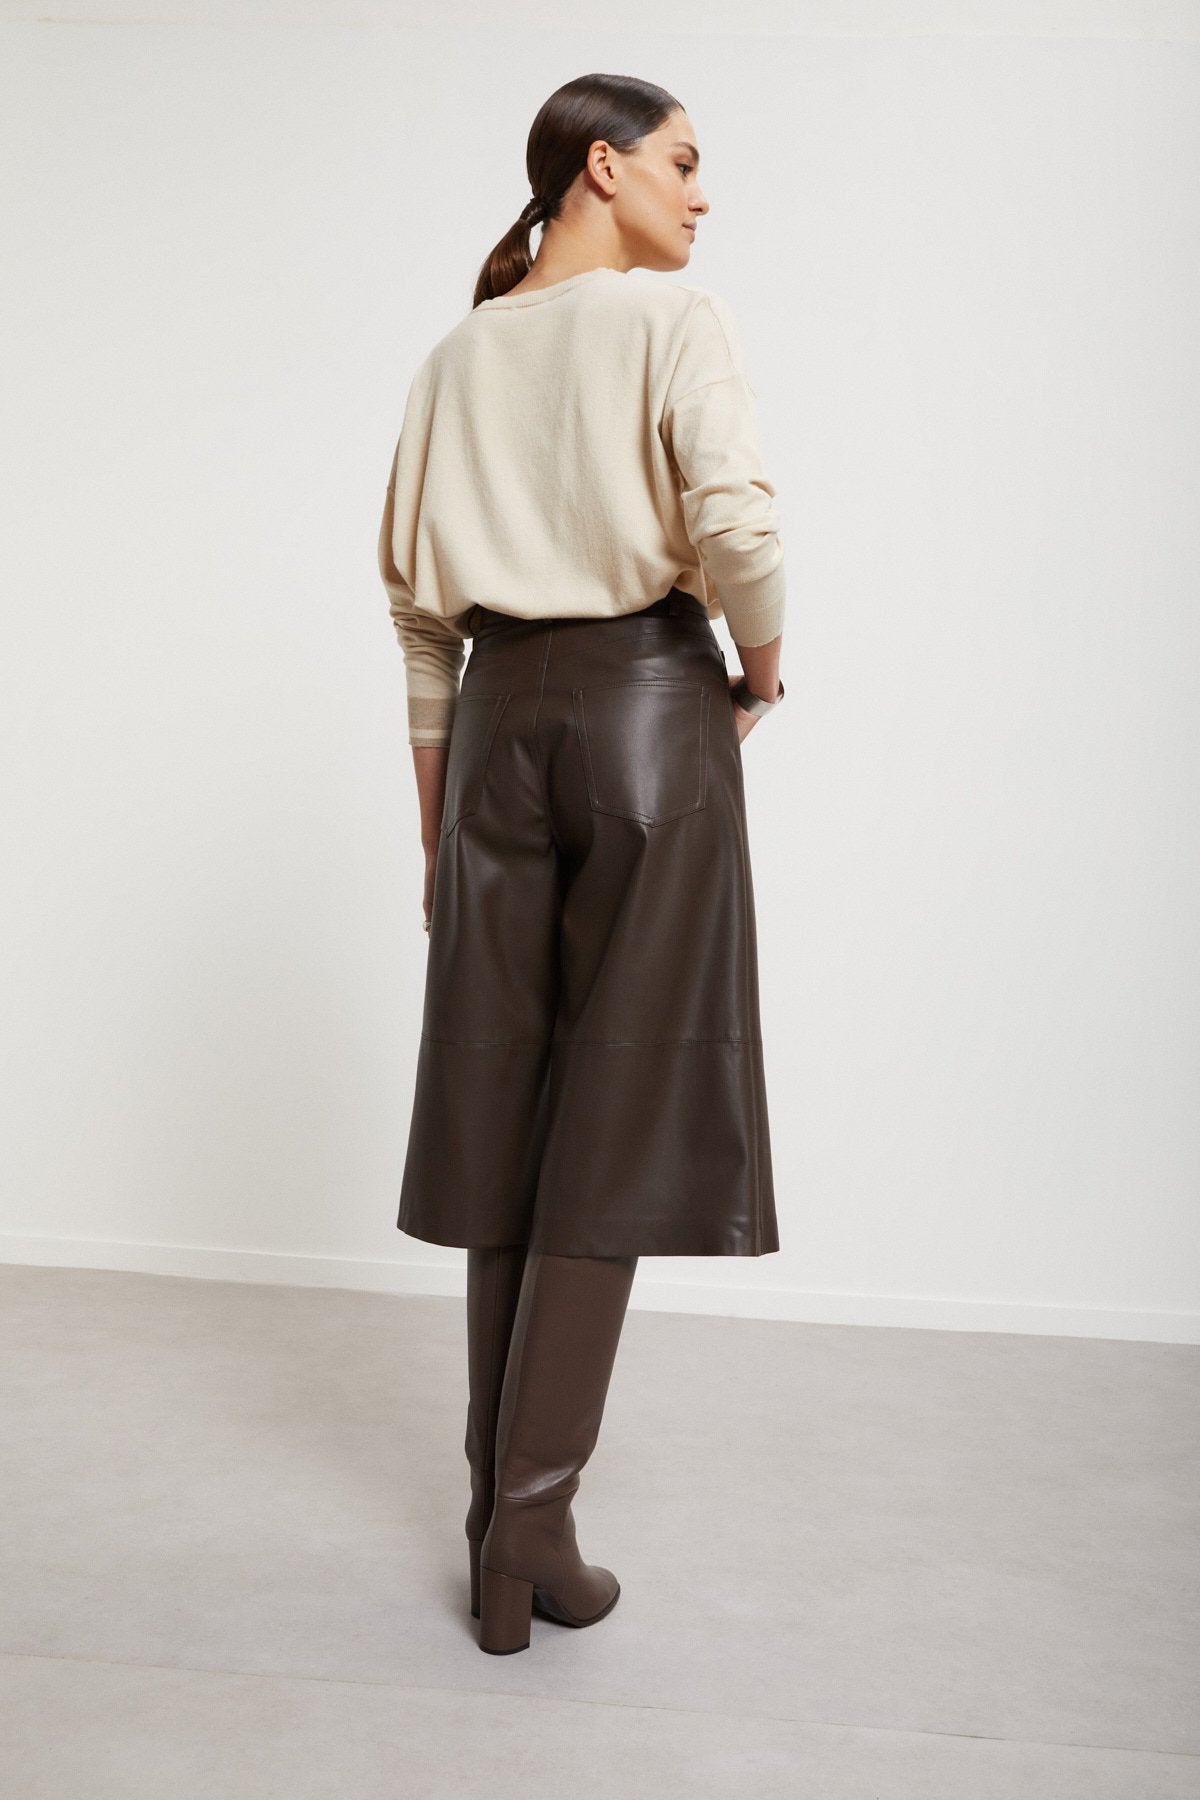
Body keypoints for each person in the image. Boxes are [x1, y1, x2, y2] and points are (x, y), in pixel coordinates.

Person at [377, 73, 787, 1655]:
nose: (703, 193)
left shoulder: (456, 354)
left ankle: (502, 1527)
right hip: (642, 711)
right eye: (684, 162)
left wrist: (439, 824)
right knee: (613, 1115)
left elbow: (419, 618)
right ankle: (531, 1519)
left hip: (494, 728)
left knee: (506, 1115)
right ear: (602, 169)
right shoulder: (672, 322)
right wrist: (762, 669)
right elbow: (737, 527)